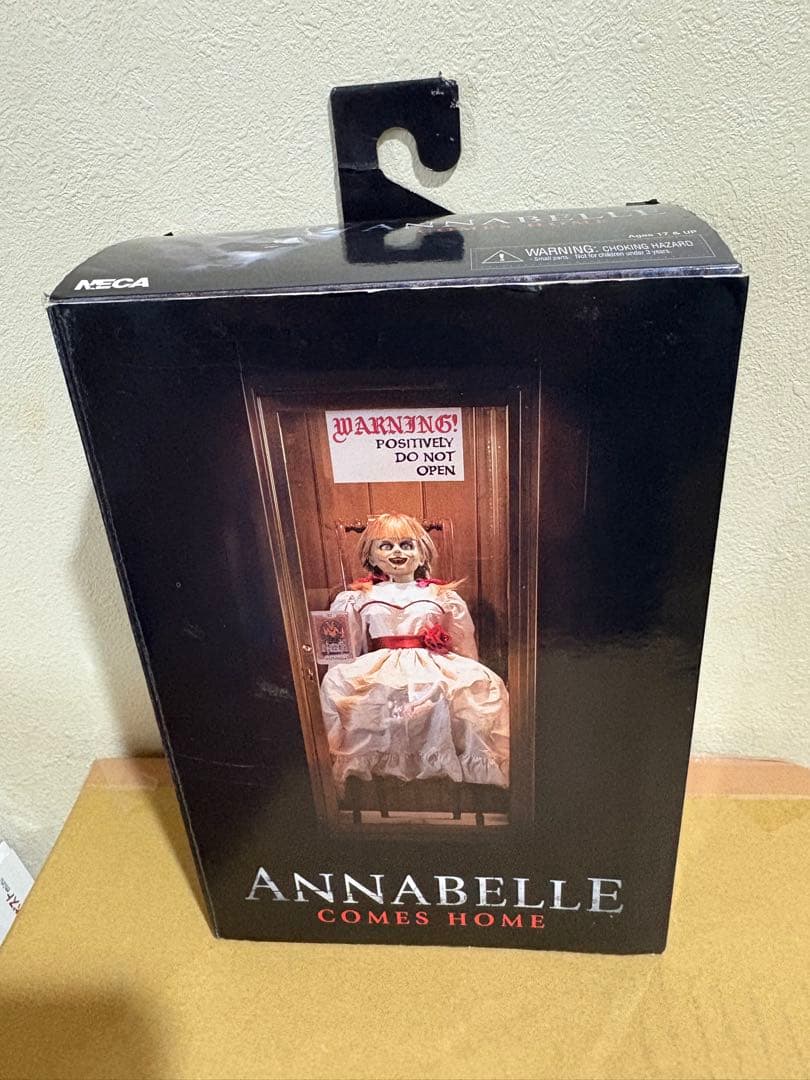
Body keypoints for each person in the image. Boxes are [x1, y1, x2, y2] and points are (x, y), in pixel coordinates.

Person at [319, 512, 509, 796]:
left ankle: (455, 767)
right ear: (370, 555)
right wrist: (340, 672)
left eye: (407, 545)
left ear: (422, 554)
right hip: (380, 663)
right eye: (386, 546)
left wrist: (468, 670)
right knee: (340, 684)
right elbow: (349, 646)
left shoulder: (442, 595)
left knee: (475, 685)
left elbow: (462, 642)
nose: (397, 552)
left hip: (431, 664)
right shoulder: (358, 597)